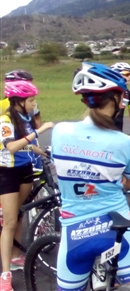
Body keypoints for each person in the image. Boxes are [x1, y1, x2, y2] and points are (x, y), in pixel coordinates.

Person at [51, 62, 130, 291]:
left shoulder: (59, 131)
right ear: (113, 99)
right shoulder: (124, 142)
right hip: (117, 228)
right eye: (121, 98)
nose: (123, 103)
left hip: (75, 230)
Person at [0, 81, 53, 291]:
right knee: (10, 222)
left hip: (25, 171)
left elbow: (27, 144)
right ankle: (4, 274)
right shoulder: (5, 120)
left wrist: (46, 153)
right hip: (7, 173)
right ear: (19, 101)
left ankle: (14, 256)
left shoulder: (24, 119)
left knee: (20, 215)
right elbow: (12, 147)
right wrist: (41, 131)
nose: (34, 104)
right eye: (31, 100)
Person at [110, 62, 130, 131]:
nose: (129, 76)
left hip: (119, 131)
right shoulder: (107, 93)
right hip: (105, 130)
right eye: (126, 74)